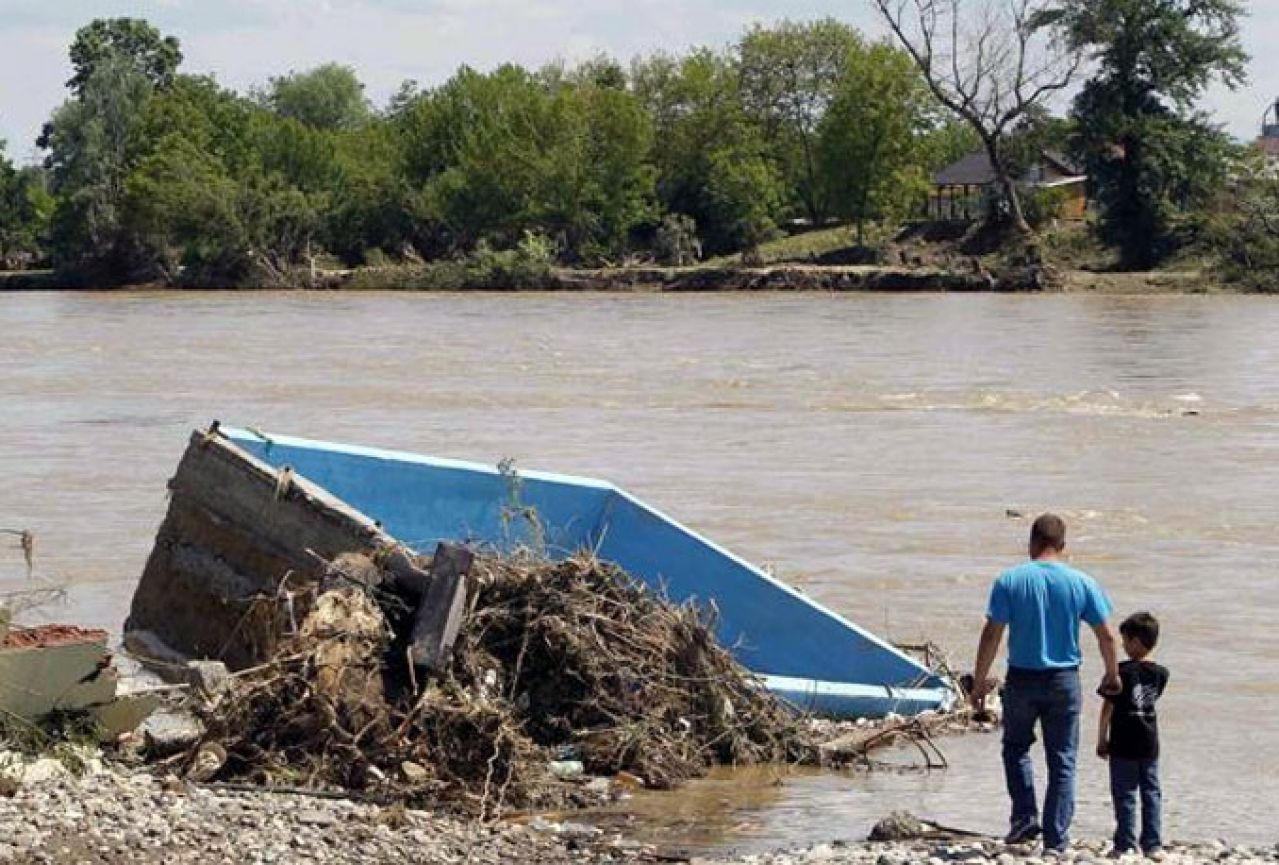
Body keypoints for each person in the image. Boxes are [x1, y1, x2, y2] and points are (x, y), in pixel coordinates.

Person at [971, 513, 1121, 854]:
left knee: (1015, 748)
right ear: (1063, 546)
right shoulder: (1081, 582)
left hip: (1021, 678)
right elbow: (1107, 636)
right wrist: (1112, 675)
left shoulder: (1010, 580)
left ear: (1031, 543)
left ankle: (1024, 817)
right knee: (1062, 759)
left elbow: (992, 633)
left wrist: (979, 682)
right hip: (1063, 680)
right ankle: (1055, 840)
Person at [1097, 612, 1169, 857]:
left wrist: (1101, 738)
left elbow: (1108, 706)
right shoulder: (1161, 673)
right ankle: (1152, 842)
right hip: (1149, 742)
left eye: (1125, 641)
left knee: (1125, 793)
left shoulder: (1120, 672)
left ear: (1136, 641)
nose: (1124, 646)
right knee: (1151, 792)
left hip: (1123, 742)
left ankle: (1125, 841)